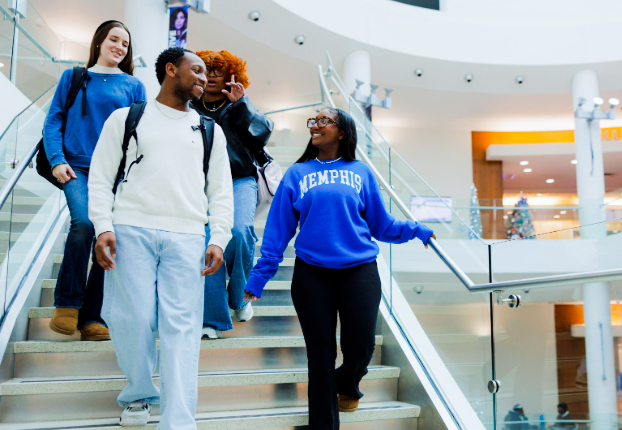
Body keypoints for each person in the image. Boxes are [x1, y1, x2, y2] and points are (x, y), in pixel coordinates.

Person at [245, 108, 435, 429]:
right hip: (311, 274)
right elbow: (279, 231)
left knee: (361, 346)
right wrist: (259, 276)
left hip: (359, 269)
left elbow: (380, 225)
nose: (315, 126)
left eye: (324, 121)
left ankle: (347, 382)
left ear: (343, 132)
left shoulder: (360, 171)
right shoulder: (298, 173)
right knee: (319, 356)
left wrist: (415, 230)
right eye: (313, 121)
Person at [88, 47, 233, 428]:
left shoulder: (208, 130)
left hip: (187, 235)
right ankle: (138, 395)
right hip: (129, 229)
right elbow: (101, 178)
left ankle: (179, 419)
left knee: (182, 329)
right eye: (197, 70)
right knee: (131, 318)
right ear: (171, 70)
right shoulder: (126, 118)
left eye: (207, 72)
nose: (204, 78)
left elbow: (221, 191)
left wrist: (218, 237)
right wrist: (102, 226)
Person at [43, 20, 145, 342]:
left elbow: (138, 135)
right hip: (76, 168)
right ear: (100, 41)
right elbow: (53, 120)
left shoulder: (133, 86)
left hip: (115, 174)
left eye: (125, 44)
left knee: (109, 234)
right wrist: (57, 161)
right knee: (85, 223)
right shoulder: (74, 77)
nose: (119, 47)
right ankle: (67, 305)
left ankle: (93, 316)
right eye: (114, 39)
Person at [192, 50, 273, 339]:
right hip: (199, 184)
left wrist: (243, 104)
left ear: (231, 75)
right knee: (208, 240)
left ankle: (238, 297)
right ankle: (212, 319)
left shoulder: (239, 106)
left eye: (219, 70)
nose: (212, 75)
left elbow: (263, 133)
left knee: (239, 233)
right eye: (206, 69)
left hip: (239, 179)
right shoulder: (189, 106)